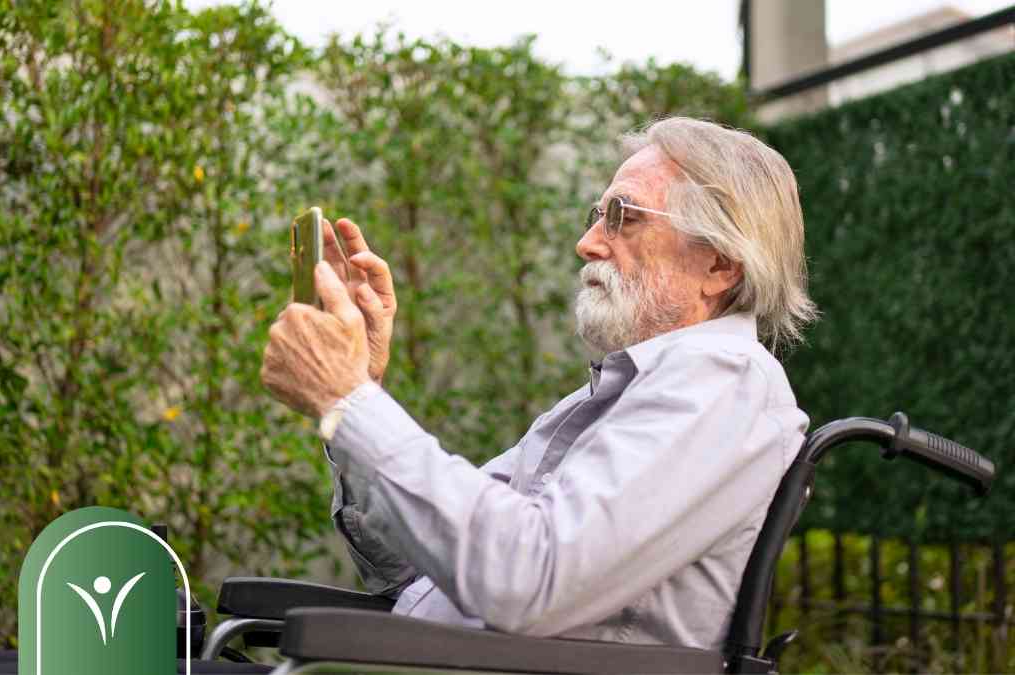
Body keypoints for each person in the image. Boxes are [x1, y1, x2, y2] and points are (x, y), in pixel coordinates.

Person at [260, 116, 819, 649]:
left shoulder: (723, 385)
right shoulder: (630, 388)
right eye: (595, 215)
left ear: (719, 266)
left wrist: (349, 401)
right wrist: (363, 389)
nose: (589, 242)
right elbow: (407, 566)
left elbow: (526, 581)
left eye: (623, 216)